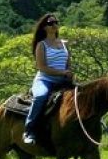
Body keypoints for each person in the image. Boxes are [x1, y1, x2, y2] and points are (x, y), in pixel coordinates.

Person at [22, 14, 72, 145]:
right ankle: (29, 130)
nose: (54, 25)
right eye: (51, 23)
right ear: (44, 27)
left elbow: (68, 64)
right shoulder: (41, 45)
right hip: (45, 80)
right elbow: (42, 67)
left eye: (56, 22)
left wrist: (69, 73)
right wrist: (62, 72)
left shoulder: (65, 44)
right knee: (40, 97)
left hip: (63, 81)